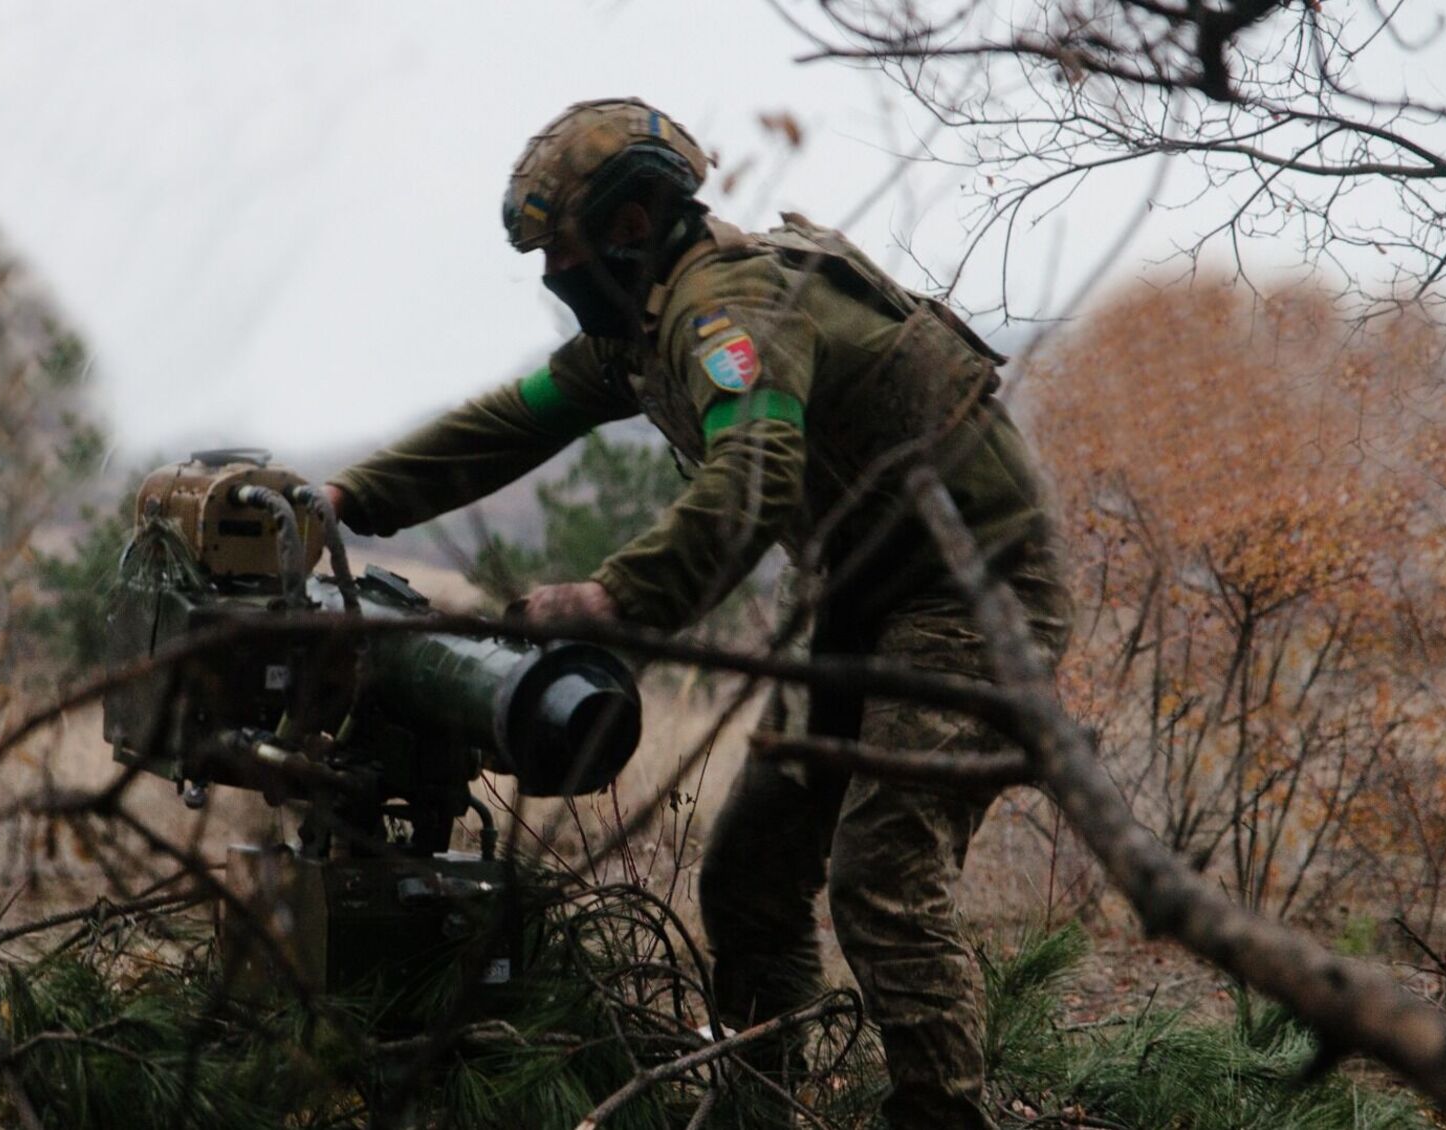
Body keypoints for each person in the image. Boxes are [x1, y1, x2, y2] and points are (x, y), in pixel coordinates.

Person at [322, 97, 1068, 1130]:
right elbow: (510, 422)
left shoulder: (726, 308)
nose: (553, 279)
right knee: (751, 871)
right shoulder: (644, 328)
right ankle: (759, 1107)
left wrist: (615, 595)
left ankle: (941, 1114)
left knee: (883, 871)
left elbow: (754, 478)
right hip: (860, 602)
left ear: (632, 225)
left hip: (976, 595)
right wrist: (348, 499)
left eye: (563, 250)